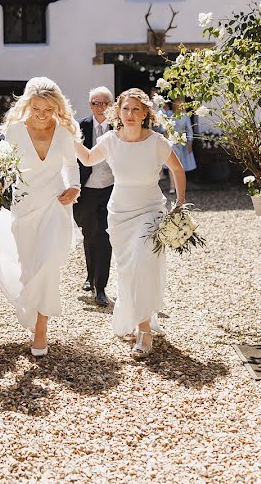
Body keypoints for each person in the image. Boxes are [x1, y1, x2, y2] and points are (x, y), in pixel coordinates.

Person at [74, 88, 187, 359]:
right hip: (120, 214)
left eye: (137, 109)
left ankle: (144, 329)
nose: (131, 114)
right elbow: (88, 159)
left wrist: (180, 202)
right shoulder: (111, 140)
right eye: (126, 109)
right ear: (118, 112)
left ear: (146, 113)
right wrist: (69, 137)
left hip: (151, 211)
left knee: (142, 262)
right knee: (128, 271)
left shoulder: (157, 141)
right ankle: (136, 316)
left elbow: (177, 168)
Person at [0, 77, 81, 357]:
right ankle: (32, 311)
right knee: (30, 270)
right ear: (28, 105)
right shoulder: (14, 131)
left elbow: (71, 166)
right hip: (24, 207)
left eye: (48, 110)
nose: (41, 115)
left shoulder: (64, 133)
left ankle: (41, 330)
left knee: (48, 264)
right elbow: (4, 167)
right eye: (37, 108)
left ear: (57, 108)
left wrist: (74, 187)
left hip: (55, 205)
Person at [74, 86, 115, 306]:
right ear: (90, 105)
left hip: (111, 189)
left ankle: (101, 287)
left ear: (112, 105)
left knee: (105, 237)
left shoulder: (119, 128)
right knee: (89, 235)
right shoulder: (80, 127)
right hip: (86, 190)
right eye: (96, 103)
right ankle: (90, 277)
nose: (101, 107)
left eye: (105, 103)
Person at [171, 95, 197, 176]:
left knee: (181, 163)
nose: (178, 107)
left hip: (182, 142)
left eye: (180, 106)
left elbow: (189, 130)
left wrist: (190, 142)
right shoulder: (170, 115)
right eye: (176, 105)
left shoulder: (186, 116)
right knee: (172, 164)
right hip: (172, 141)